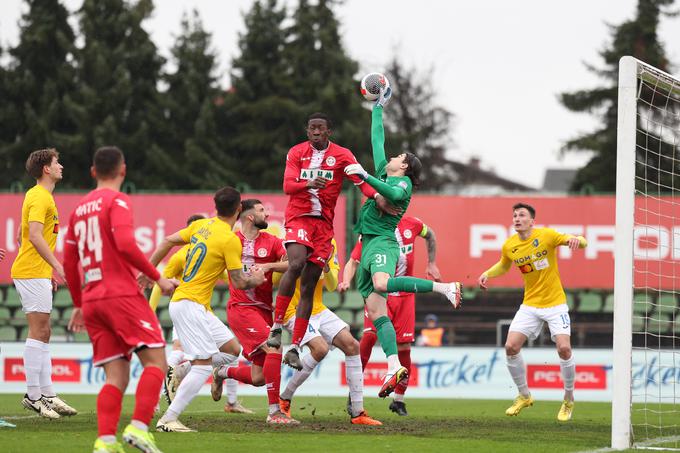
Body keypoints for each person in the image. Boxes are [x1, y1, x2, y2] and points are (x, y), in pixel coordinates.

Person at [343, 88, 462, 398]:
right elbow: (377, 140)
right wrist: (378, 108)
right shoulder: (388, 173)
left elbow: (392, 196)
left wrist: (365, 178)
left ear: (406, 166)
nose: (392, 157)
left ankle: (445, 288)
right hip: (367, 244)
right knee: (376, 311)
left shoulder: (403, 183)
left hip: (382, 243)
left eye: (398, 157)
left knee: (382, 284)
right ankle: (393, 365)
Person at [63, 146, 177, 453]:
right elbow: (126, 244)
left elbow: (69, 262)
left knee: (116, 375)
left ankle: (105, 441)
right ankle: (140, 428)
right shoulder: (118, 201)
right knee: (156, 360)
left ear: (93, 172)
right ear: (123, 170)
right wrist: (159, 278)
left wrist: (77, 303)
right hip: (120, 294)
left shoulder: (77, 210)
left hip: (92, 300)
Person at [266, 112, 399, 371]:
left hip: (324, 226)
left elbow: (361, 180)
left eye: (320, 129)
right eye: (312, 128)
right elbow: (287, 186)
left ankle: (294, 347)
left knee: (309, 284)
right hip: (299, 218)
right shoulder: (296, 153)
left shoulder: (342, 155)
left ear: (329, 132)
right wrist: (307, 183)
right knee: (295, 264)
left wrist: (378, 197)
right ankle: (276, 327)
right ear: (307, 131)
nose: (316, 132)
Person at [148, 187, 265, 432]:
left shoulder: (202, 226)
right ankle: (169, 418)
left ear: (216, 207)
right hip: (189, 305)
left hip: (193, 305)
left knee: (233, 350)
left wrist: (147, 271)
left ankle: (182, 370)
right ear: (239, 209)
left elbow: (168, 240)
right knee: (203, 365)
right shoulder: (230, 239)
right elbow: (240, 282)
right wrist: (257, 277)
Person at [477, 202, 587, 422]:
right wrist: (487, 273)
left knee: (564, 349)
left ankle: (568, 399)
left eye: (521, 215)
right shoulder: (510, 245)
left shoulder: (546, 235)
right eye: (514, 215)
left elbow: (581, 242)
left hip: (555, 304)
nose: (517, 218)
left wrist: (577, 240)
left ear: (531, 221)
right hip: (530, 306)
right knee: (510, 346)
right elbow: (504, 265)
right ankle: (524, 395)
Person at [341, 215, 441, 416]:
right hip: (378, 294)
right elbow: (353, 261)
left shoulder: (412, 224)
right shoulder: (372, 228)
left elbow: (430, 234)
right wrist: (345, 281)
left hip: (404, 297)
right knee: (368, 337)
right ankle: (354, 395)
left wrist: (431, 263)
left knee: (404, 347)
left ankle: (399, 400)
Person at [277, 239, 381, 426]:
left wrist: (325, 267)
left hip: (317, 309)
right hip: (293, 310)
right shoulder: (294, 240)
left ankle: (358, 412)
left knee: (352, 346)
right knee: (320, 349)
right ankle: (284, 398)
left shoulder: (329, 243)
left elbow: (332, 285)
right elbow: (278, 278)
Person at [212, 199, 297, 424]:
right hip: (241, 309)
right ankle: (274, 413)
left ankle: (222, 372)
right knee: (275, 347)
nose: (266, 214)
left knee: (259, 377)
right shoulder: (231, 241)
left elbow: (293, 263)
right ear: (249, 216)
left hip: (263, 310)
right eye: (261, 210)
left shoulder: (271, 241)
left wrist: (270, 266)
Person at [10, 148, 77, 419]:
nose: (60, 165)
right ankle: (33, 395)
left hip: (35, 271)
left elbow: (20, 234)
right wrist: (57, 266)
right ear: (46, 169)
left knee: (44, 331)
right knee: (38, 330)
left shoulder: (38, 196)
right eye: (56, 162)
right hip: (30, 272)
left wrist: (45, 270)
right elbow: (35, 236)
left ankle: (47, 393)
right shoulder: (39, 196)